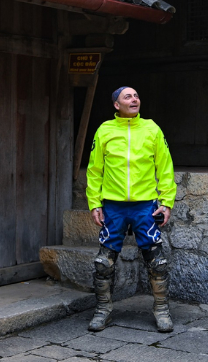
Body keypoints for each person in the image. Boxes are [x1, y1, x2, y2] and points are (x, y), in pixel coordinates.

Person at [85, 86, 176, 333]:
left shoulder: (151, 128)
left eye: (136, 95)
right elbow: (94, 170)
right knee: (104, 262)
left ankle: (162, 311)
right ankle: (103, 311)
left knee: (157, 261)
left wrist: (166, 202)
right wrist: (94, 203)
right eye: (128, 96)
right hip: (113, 207)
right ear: (117, 105)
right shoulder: (105, 130)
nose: (134, 99)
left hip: (145, 205)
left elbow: (164, 166)